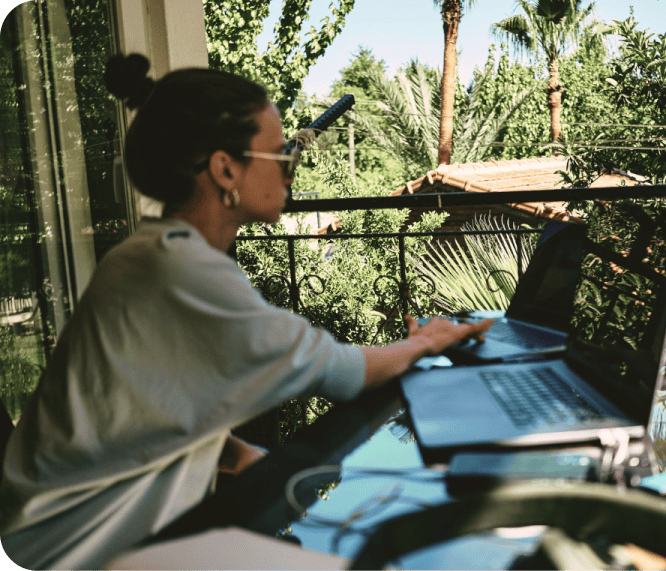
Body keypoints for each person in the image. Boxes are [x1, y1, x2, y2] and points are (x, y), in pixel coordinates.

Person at [0, 54, 491, 570]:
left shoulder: (151, 255)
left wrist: (233, 454)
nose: (292, 165)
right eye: (279, 153)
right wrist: (429, 340)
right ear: (225, 168)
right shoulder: (179, 269)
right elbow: (338, 370)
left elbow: (143, 405)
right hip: (63, 550)